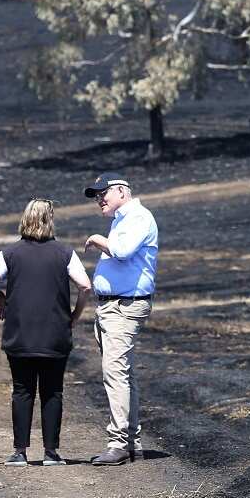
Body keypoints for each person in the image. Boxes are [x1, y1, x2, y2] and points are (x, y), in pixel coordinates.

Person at [0, 198, 92, 466]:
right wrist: (74, 315)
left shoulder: (10, 253)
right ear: (50, 219)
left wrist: (0, 296)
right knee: (52, 391)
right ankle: (51, 453)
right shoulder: (65, 253)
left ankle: (19, 452)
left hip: (20, 334)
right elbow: (85, 286)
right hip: (55, 333)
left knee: (22, 390)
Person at [82, 172, 158, 466]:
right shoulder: (122, 220)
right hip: (112, 307)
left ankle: (118, 443)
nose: (99, 199)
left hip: (124, 307)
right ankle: (132, 442)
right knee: (123, 375)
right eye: (96, 195)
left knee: (114, 373)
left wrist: (98, 239)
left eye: (104, 193)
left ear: (122, 191)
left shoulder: (138, 217)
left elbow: (122, 251)